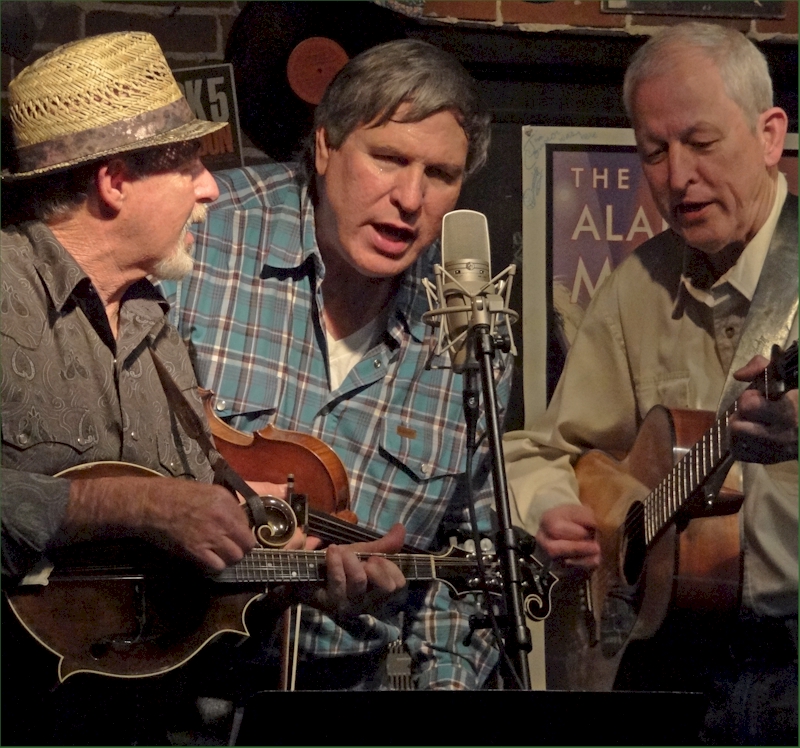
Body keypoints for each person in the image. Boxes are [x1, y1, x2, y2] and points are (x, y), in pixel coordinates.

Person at [1, 31, 406, 745]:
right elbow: (146, 515)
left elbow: (171, 574)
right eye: (187, 165)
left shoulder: (155, 325)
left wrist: (293, 577)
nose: (211, 187)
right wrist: (140, 504)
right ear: (114, 182)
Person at [163, 38, 513, 692]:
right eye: (389, 158)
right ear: (325, 146)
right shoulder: (202, 234)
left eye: (441, 174)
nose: (411, 197)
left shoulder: (467, 329)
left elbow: (470, 558)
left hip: (347, 696)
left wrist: (446, 694)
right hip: (164, 679)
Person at [504, 22, 797, 745]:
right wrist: (558, 509)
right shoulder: (637, 283)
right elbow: (544, 450)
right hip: (672, 665)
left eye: (701, 143)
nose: (677, 176)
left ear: (769, 136)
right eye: (654, 152)